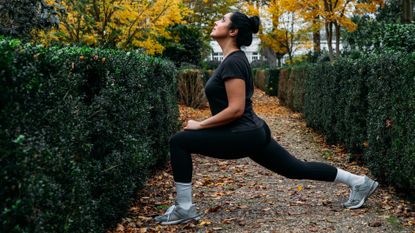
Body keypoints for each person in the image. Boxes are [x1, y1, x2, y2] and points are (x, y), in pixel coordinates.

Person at [154, 11, 378, 225]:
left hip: (243, 133)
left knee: (179, 141)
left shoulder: (233, 62)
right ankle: (358, 182)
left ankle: (184, 208)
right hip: (251, 132)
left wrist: (200, 125)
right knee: (296, 168)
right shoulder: (234, 59)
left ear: (233, 31)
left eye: (222, 20)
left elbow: (236, 109)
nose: (216, 22)